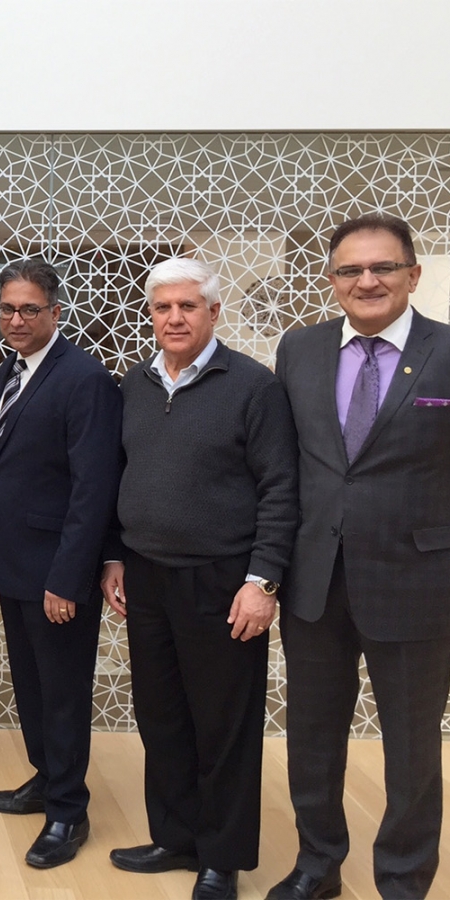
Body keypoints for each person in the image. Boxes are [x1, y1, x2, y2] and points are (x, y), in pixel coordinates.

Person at [101, 258, 297, 900]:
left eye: (189, 306)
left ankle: (222, 857)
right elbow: (116, 477)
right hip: (148, 576)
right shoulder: (134, 383)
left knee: (223, 725)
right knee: (163, 719)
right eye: (163, 307)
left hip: (223, 581)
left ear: (214, 312)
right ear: (150, 315)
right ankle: (176, 837)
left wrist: (263, 581)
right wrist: (113, 557)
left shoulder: (252, 386)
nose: (175, 317)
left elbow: (280, 489)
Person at [268, 213, 450, 900]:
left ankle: (403, 880)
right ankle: (319, 864)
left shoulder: (446, 353)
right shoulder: (300, 350)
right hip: (315, 578)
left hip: (418, 581)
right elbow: (288, 466)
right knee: (312, 736)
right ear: (331, 279)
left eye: (382, 267)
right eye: (350, 270)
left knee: (410, 748)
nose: (366, 280)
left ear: (413, 273)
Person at [0, 260, 122, 868]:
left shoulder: (84, 378)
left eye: (29, 309)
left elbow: (94, 488)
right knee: (31, 686)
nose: (15, 320)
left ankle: (68, 811)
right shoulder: (11, 370)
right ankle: (45, 777)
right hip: (15, 562)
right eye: (7, 309)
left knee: (61, 693)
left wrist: (68, 577)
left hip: (56, 571)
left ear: (56, 313)